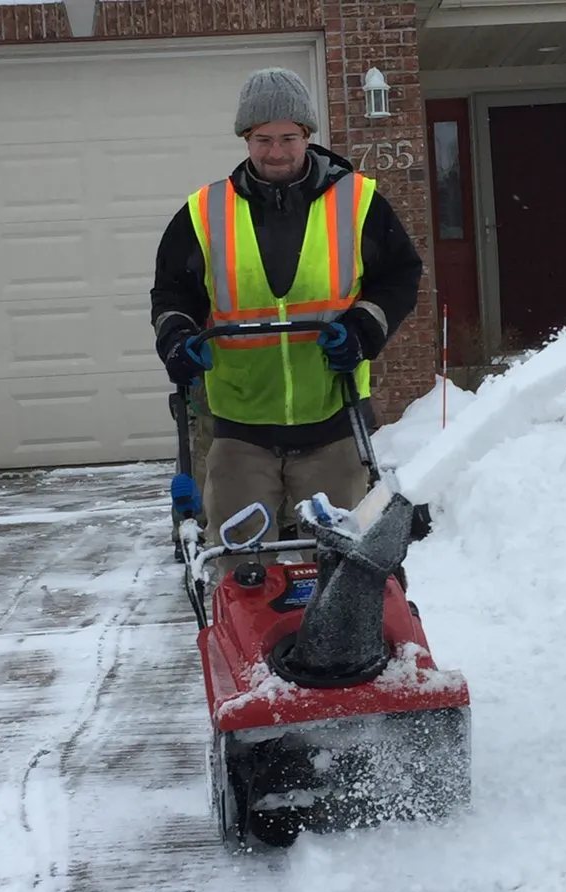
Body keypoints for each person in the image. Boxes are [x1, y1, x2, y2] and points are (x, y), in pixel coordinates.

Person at [151, 67, 422, 571]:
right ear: (245, 139)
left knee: (342, 570)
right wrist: (178, 337)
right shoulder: (205, 211)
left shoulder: (358, 202)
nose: (276, 152)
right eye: (263, 139)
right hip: (240, 428)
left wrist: (363, 329)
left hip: (332, 420)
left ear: (307, 135)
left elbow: (399, 276)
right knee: (245, 572)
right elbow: (173, 292)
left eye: (288, 138)